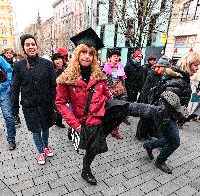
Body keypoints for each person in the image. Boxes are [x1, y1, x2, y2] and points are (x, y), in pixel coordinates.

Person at [55, 27, 169, 185]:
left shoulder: (99, 75)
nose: (87, 56)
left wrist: (115, 106)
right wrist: (74, 124)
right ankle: (86, 170)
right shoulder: (65, 78)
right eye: (84, 52)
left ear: (94, 56)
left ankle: (159, 111)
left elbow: (107, 95)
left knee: (126, 106)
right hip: (85, 121)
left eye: (91, 53)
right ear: (77, 54)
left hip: (102, 112)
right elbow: (60, 103)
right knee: (93, 149)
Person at [143, 52, 200, 174]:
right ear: (188, 64)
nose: (197, 68)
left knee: (169, 139)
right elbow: (166, 103)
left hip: (170, 115)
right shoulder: (180, 80)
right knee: (174, 142)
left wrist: (185, 116)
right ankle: (160, 161)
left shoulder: (183, 78)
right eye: (196, 65)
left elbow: (177, 103)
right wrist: (165, 121)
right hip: (165, 116)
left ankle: (149, 145)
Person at [11, 34, 56, 165]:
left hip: (45, 104)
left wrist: (55, 104)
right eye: (27, 45)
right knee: (36, 129)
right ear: (23, 48)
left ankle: (46, 146)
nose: (31, 47)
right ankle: (40, 151)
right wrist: (14, 108)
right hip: (29, 105)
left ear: (37, 46)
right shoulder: (19, 66)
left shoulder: (47, 64)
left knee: (46, 127)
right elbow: (14, 87)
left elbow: (54, 86)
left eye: (33, 44)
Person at [136, 55, 170, 141]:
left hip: (154, 101)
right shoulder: (151, 75)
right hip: (147, 100)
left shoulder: (160, 76)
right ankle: (140, 134)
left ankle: (146, 134)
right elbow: (145, 90)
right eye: (164, 68)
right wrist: (143, 101)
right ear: (159, 66)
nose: (165, 70)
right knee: (144, 118)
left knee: (149, 119)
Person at [102, 49, 127, 140]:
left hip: (119, 93)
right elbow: (103, 83)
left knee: (119, 112)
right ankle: (104, 128)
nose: (116, 57)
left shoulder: (121, 67)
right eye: (114, 56)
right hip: (109, 93)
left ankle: (115, 130)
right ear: (110, 58)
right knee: (108, 112)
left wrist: (124, 94)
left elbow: (123, 82)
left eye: (118, 56)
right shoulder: (105, 68)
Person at [0, 55, 16, 150]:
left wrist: (5, 85)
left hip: (3, 92)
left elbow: (9, 71)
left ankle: (11, 139)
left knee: (8, 117)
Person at [51, 53, 66, 128]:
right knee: (58, 109)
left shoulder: (66, 69)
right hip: (55, 93)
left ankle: (58, 121)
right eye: (56, 59)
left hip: (65, 93)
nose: (58, 61)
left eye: (60, 59)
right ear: (53, 61)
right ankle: (58, 121)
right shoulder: (52, 71)